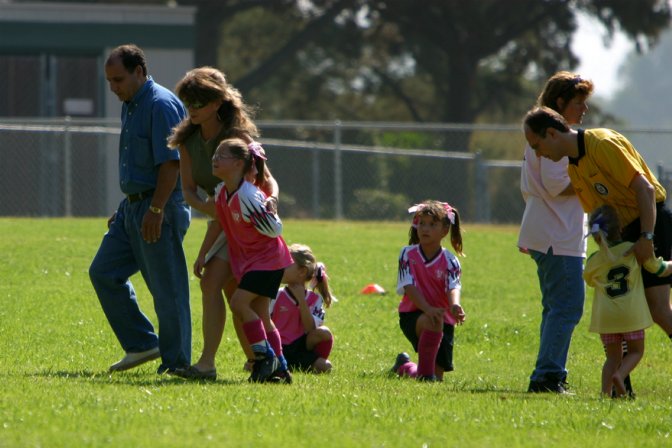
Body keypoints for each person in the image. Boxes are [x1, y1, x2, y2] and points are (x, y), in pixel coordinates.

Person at [523, 107, 672, 349]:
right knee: (620, 305)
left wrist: (647, 236)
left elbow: (645, 190)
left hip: (649, 221)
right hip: (623, 232)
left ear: (551, 133)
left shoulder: (602, 143)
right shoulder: (574, 168)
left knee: (658, 309)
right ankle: (619, 385)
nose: (538, 154)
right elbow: (599, 214)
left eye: (536, 146)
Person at [167, 67, 279, 380]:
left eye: (199, 103)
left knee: (216, 285)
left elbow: (268, 181)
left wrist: (271, 202)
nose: (192, 110)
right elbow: (189, 190)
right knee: (234, 296)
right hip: (223, 224)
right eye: (188, 103)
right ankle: (262, 360)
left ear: (217, 103)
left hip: (249, 230)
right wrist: (213, 209)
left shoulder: (237, 139)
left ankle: (210, 364)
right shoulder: (187, 140)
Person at [89, 44, 191, 374]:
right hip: (133, 207)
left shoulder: (160, 104)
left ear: (139, 72)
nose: (113, 88)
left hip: (159, 206)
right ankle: (143, 343)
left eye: (118, 80)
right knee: (104, 272)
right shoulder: (131, 105)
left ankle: (176, 364)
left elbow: (171, 165)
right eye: (109, 81)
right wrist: (127, 206)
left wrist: (156, 210)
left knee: (167, 290)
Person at [518, 72, 593, 394]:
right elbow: (556, 184)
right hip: (556, 235)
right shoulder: (555, 139)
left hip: (551, 232)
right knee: (566, 306)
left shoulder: (549, 135)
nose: (584, 110)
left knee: (558, 307)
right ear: (561, 102)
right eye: (579, 103)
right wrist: (596, 180)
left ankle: (548, 373)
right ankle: (547, 377)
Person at [202, 137, 293, 383]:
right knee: (262, 314)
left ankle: (265, 358)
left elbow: (274, 229)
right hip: (255, 262)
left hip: (268, 261)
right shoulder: (222, 192)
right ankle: (282, 370)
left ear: (239, 163)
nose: (215, 159)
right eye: (215, 154)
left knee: (238, 303)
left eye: (222, 155)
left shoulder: (248, 195)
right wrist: (203, 255)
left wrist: (262, 213)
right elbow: (218, 224)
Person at [583, 204, 671, 397]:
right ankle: (620, 375)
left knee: (612, 357)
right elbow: (659, 268)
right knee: (635, 352)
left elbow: (588, 279)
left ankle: (605, 394)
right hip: (631, 316)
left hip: (606, 318)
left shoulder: (594, 260)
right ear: (620, 227)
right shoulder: (632, 250)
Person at [391, 200, 466, 382]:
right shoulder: (407, 254)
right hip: (414, 315)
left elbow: (453, 286)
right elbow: (409, 287)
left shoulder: (450, 260)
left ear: (444, 231)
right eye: (422, 223)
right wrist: (427, 309)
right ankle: (424, 377)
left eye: (432, 225)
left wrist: (455, 305)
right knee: (432, 322)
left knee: (438, 376)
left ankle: (405, 366)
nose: (425, 228)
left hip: (442, 318)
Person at [270, 243, 335, 373]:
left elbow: (310, 329)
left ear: (302, 271)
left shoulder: (315, 300)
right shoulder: (275, 295)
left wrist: (301, 301)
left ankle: (304, 363)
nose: (280, 266)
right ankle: (278, 364)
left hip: (301, 350)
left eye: (286, 263)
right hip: (277, 349)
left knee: (326, 365)